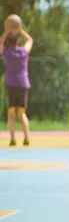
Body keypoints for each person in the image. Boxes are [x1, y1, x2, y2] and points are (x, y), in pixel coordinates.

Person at [1, 15, 33, 146]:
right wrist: (20, 30)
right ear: (18, 42)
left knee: (11, 113)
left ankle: (13, 139)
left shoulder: (7, 53)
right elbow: (30, 39)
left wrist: (7, 31)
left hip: (10, 84)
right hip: (23, 83)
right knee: (22, 113)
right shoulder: (23, 52)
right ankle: (26, 137)